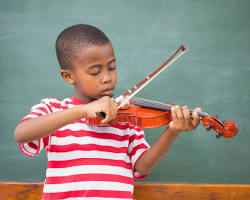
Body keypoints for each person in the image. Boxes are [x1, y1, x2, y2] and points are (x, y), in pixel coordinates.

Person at [14, 24, 201, 200]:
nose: (107, 78)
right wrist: (82, 111)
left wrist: (172, 131)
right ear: (69, 76)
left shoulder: (126, 118)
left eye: (112, 68)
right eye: (95, 72)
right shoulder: (53, 110)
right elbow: (22, 134)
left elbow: (142, 167)